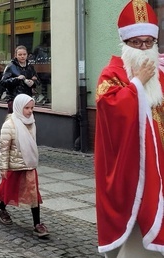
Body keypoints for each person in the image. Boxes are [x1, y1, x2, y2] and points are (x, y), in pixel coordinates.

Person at [95, 0, 164, 256]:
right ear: (126, 44)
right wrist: (137, 83)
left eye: (149, 42)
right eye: (137, 42)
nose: (144, 48)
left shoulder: (161, 73)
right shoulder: (111, 73)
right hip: (129, 170)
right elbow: (109, 107)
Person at [0, 94, 48, 238]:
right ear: (19, 107)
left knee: (33, 193)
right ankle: (1, 208)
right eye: (26, 108)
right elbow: (4, 149)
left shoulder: (31, 121)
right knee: (9, 190)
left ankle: (37, 224)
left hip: (29, 164)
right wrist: (3, 168)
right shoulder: (9, 125)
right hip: (14, 165)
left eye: (32, 108)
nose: (30, 111)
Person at [0, 46, 40, 112]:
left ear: (27, 55)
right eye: (20, 55)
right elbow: (3, 82)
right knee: (14, 121)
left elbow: (38, 82)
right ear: (16, 55)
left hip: (27, 100)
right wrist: (16, 79)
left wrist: (33, 82)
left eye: (24, 54)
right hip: (14, 99)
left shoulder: (30, 67)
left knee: (26, 120)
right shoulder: (11, 67)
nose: (22, 56)